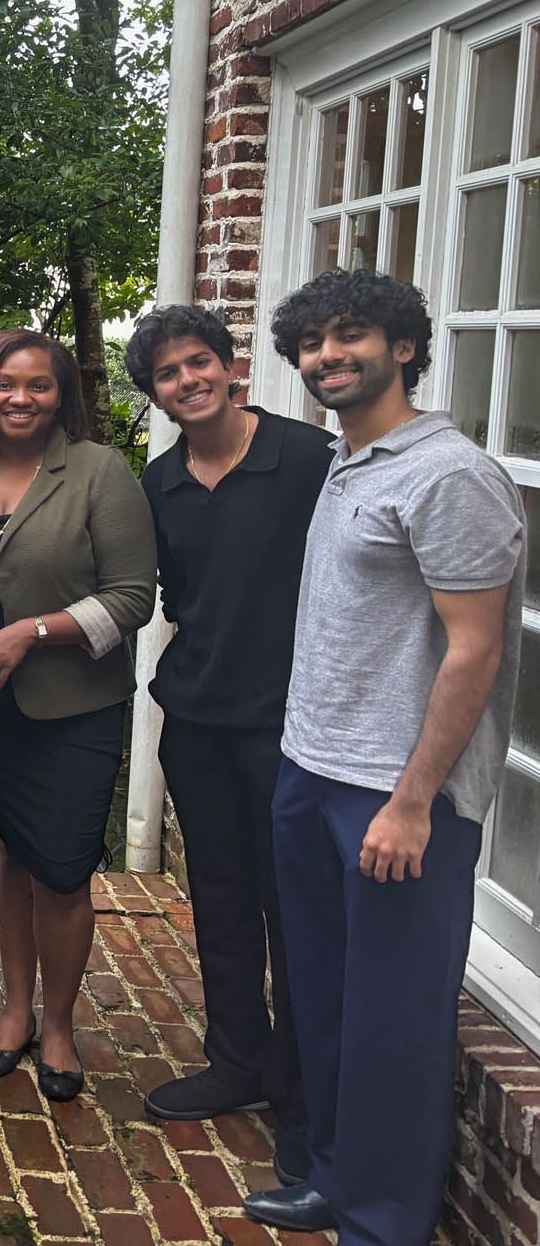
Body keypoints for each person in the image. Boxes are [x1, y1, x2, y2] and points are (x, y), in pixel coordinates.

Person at [242, 272, 525, 1246]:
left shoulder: (448, 474)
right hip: (309, 771)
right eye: (311, 342)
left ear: (404, 345)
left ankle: (383, 1222)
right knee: (323, 998)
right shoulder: (349, 461)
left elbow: (475, 648)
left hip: (398, 796)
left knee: (394, 1022)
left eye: (350, 335)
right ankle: (334, 1180)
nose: (327, 355)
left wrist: (413, 800)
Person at [124, 305, 331, 1184]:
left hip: (294, 727)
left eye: (199, 363)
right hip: (199, 722)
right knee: (219, 896)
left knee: (295, 910)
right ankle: (238, 1059)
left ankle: (303, 1093)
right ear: (156, 392)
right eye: (169, 374)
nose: (188, 381)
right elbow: (171, 594)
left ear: (228, 365)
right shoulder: (160, 482)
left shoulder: (308, 461)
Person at [0, 330, 155, 1102]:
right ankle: (16, 1010)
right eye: (4, 384)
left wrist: (28, 632)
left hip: (74, 706)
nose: (19, 398)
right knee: (18, 854)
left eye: (37, 385)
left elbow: (133, 598)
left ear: (62, 394)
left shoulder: (99, 472)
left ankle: (59, 1026)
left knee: (63, 871)